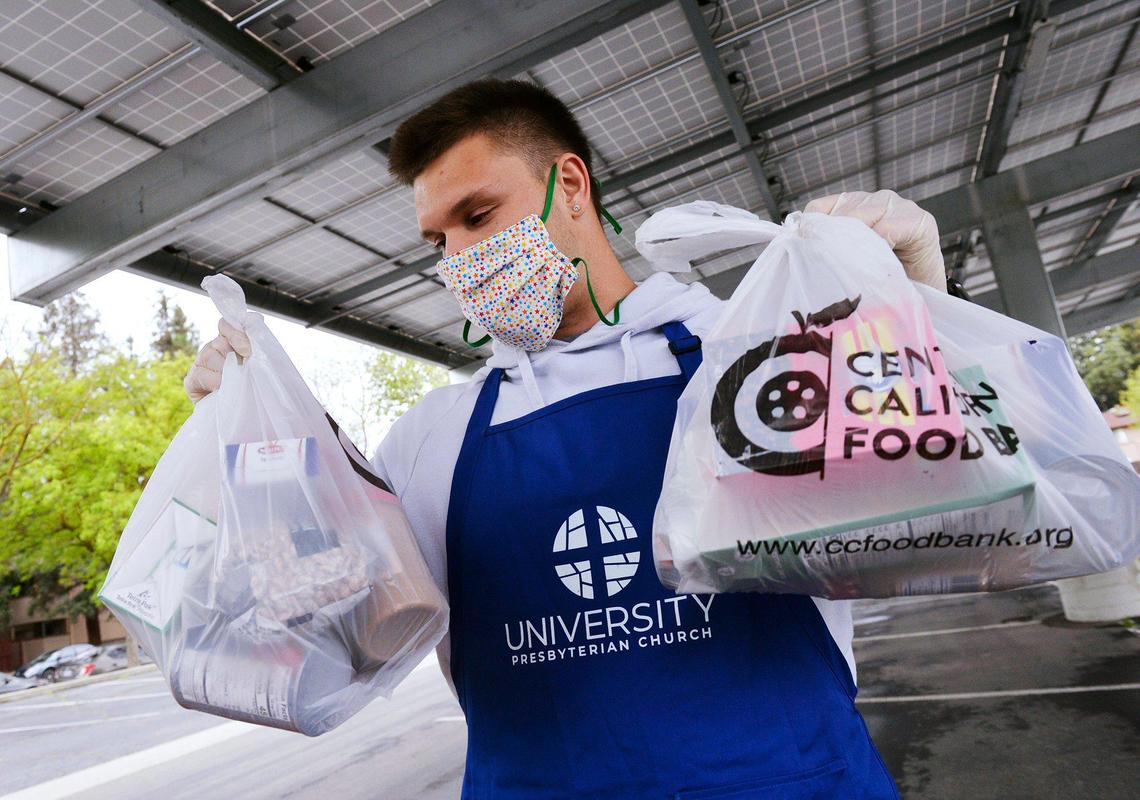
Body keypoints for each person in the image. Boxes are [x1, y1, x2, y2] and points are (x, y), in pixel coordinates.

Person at [185, 79, 948, 799]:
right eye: (437, 241)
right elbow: (331, 636)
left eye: (478, 217)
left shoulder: (750, 354)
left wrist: (917, 325)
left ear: (572, 185)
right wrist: (260, 455)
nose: (459, 262)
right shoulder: (432, 438)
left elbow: (930, 519)